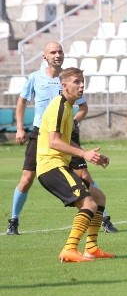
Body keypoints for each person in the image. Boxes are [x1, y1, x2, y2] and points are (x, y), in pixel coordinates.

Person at [8, 41, 117, 235]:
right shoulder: (36, 78)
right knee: (26, 179)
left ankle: (104, 218)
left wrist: (72, 122)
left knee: (84, 176)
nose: (57, 55)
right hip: (41, 134)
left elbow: (83, 107)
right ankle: (13, 221)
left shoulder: (71, 79)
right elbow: (21, 102)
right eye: (53, 52)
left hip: (65, 134)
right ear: (45, 57)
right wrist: (19, 128)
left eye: (60, 51)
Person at [36, 66, 113, 263]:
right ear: (64, 86)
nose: (81, 86)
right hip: (51, 166)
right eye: (76, 82)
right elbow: (54, 141)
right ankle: (69, 249)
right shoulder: (59, 107)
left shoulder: (69, 107)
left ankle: (91, 248)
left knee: (99, 197)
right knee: (88, 203)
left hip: (60, 164)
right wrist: (83, 153)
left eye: (82, 82)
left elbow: (65, 140)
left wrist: (90, 155)